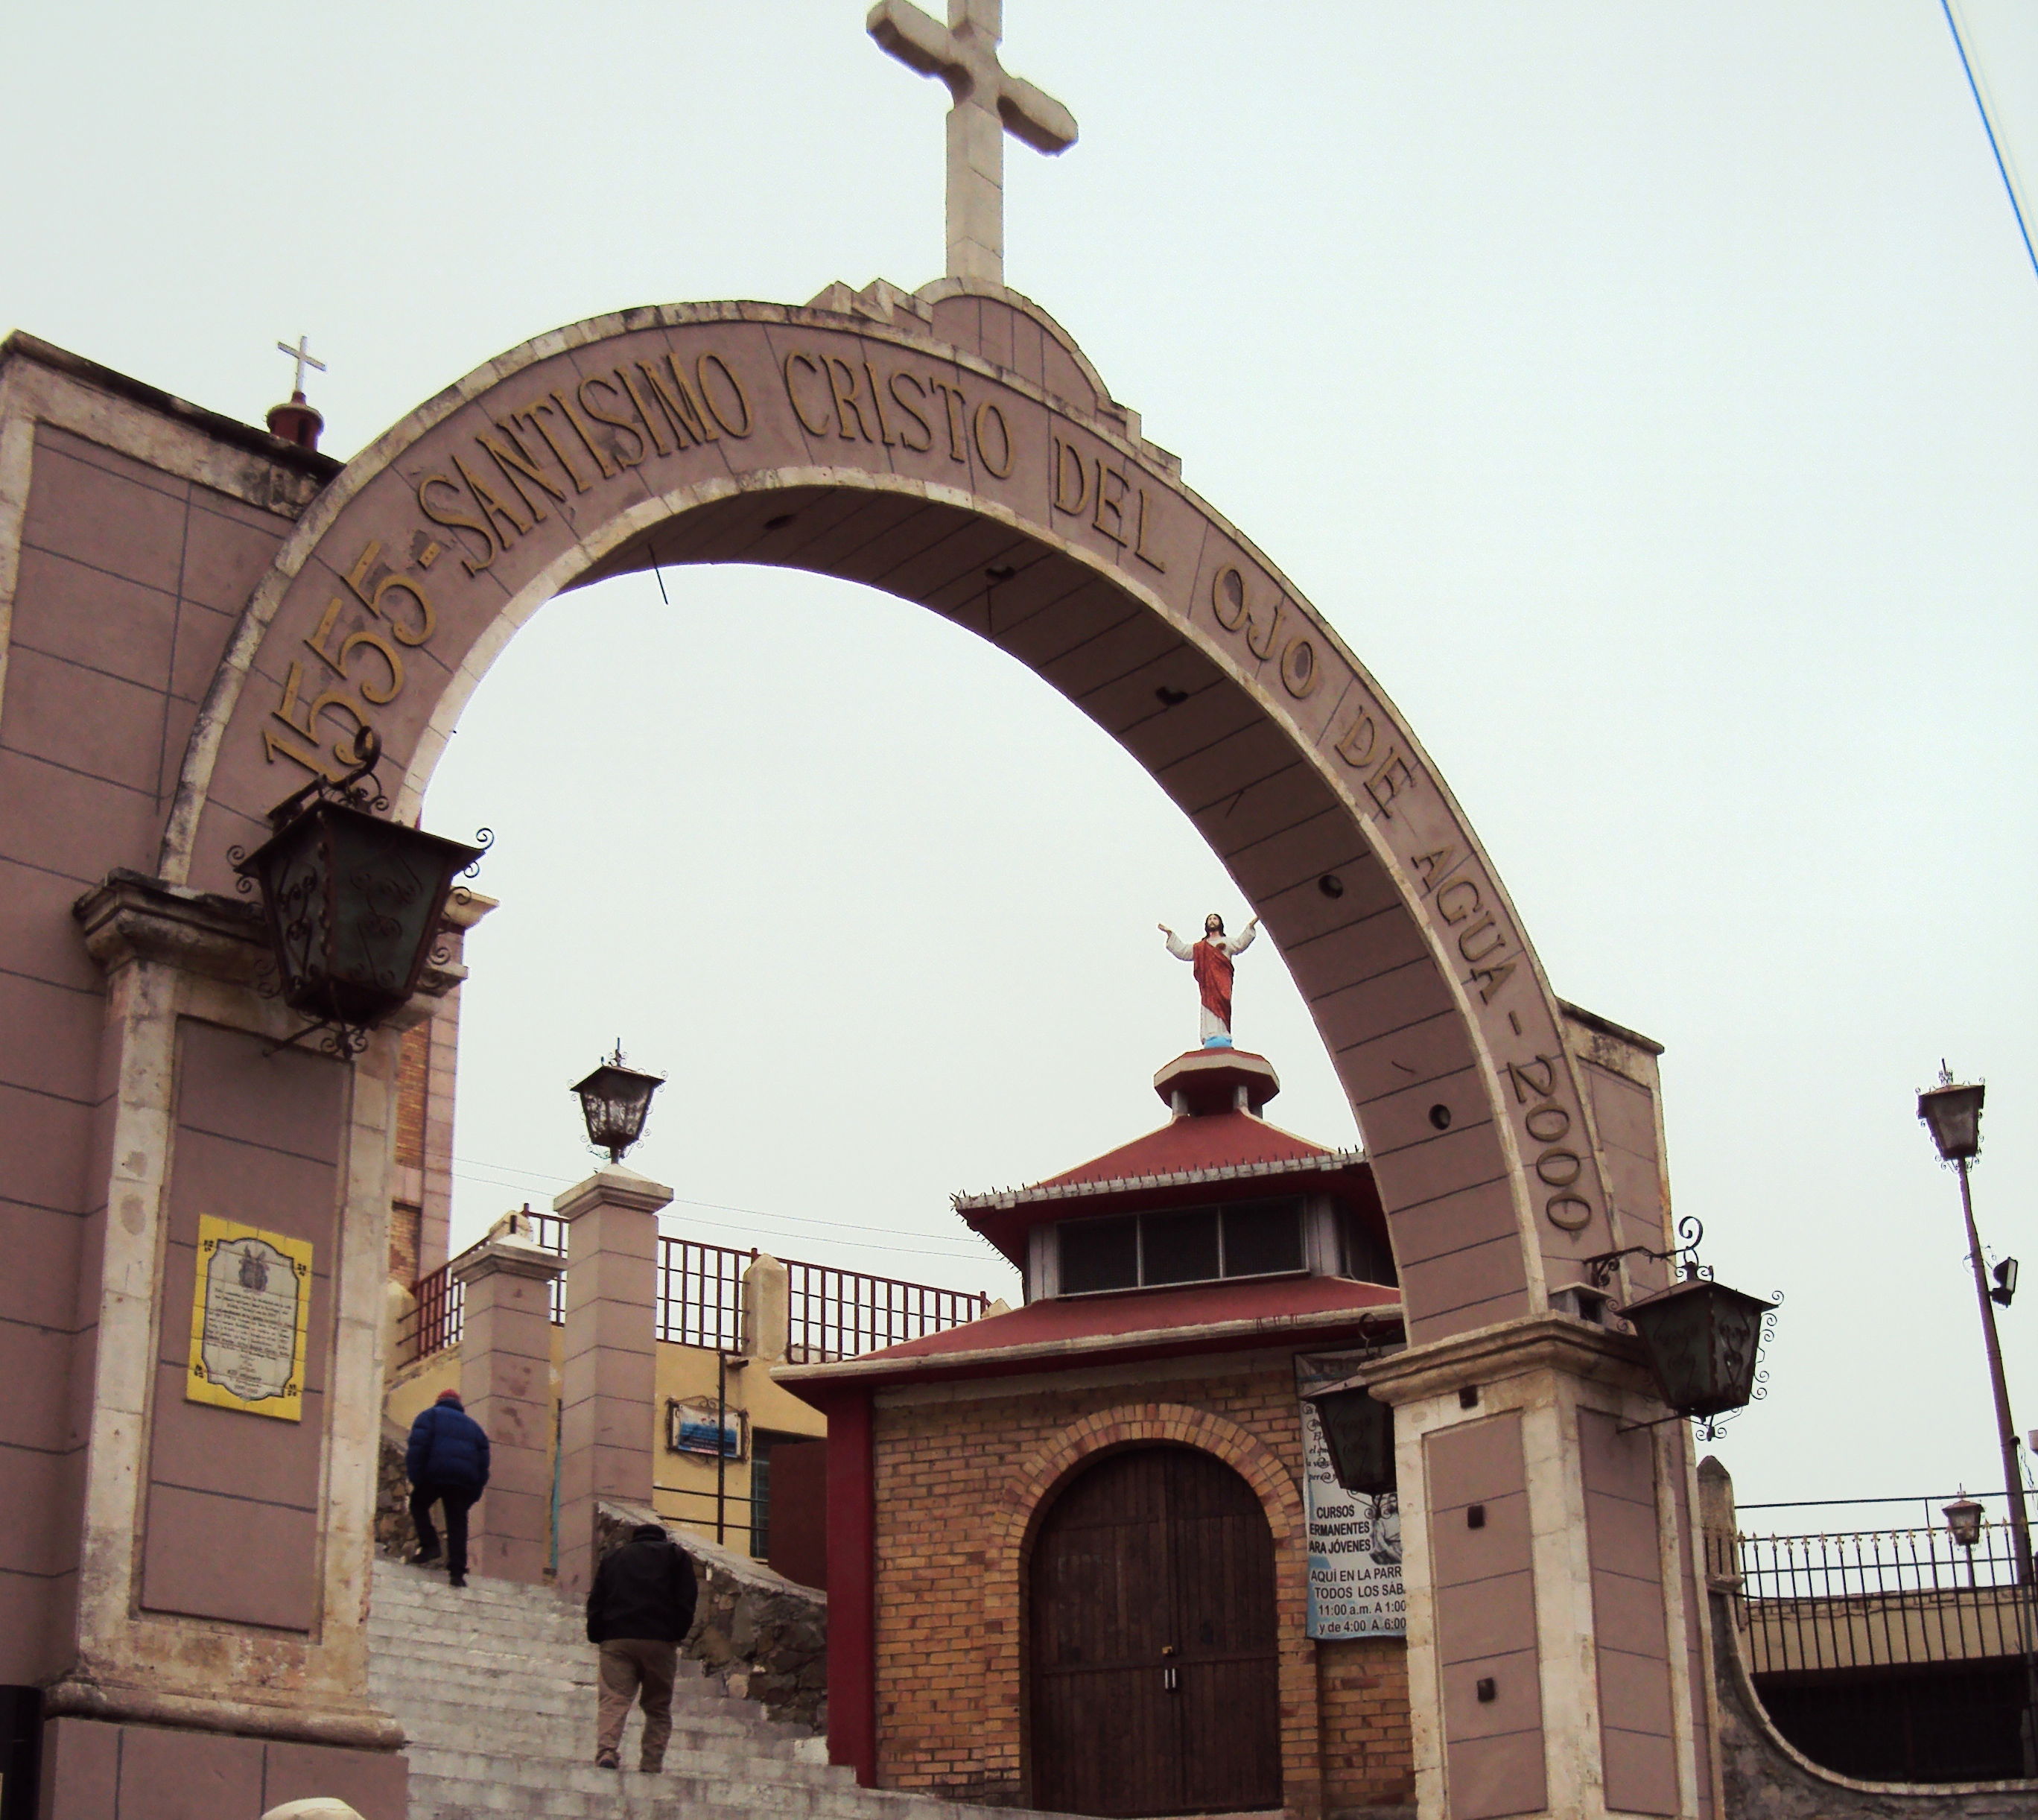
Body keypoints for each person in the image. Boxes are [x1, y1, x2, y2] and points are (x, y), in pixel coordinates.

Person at [587, 1521, 699, 1773]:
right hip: (659, 1641)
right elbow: (687, 1599)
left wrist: (597, 1635)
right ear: (662, 1537)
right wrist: (675, 1634)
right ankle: (651, 1762)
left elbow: (596, 1600)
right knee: (657, 1706)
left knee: (614, 1698)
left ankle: (607, 1751)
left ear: (634, 1538)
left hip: (617, 1640)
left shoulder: (614, 1558)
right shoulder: (675, 1555)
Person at [404, 1387, 489, 1588]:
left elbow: (417, 1449)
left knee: (418, 1505)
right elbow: (483, 1464)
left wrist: (417, 1478)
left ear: (439, 1400)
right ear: (459, 1404)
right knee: (457, 1523)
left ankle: (430, 1546)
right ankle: (457, 1572)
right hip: (462, 1482)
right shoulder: (475, 1428)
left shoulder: (429, 1416)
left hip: (434, 1474)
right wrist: (474, 1493)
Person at [1159, 911, 1260, 1047]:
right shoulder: (1201, 947)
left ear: (1220, 923)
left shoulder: (1227, 942)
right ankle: (1211, 1035)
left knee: (1223, 1005)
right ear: (1206, 924)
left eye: (1215, 919)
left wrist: (1250, 926)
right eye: (1210, 919)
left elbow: (1240, 943)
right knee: (1209, 1007)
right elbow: (1183, 951)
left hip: (1223, 981)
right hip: (1208, 984)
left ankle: (1223, 1034)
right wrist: (1170, 934)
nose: (1212, 921)